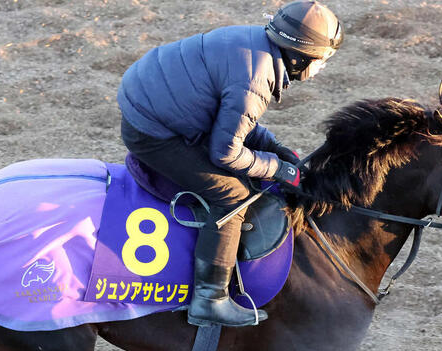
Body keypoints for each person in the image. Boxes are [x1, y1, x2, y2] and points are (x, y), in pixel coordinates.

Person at [117, 1, 343, 327]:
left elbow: (234, 115)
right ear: (299, 56)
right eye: (322, 60)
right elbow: (225, 153)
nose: (322, 67)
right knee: (233, 195)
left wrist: (275, 148)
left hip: (154, 99)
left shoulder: (256, 44)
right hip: (151, 131)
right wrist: (277, 168)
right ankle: (210, 299)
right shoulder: (258, 77)